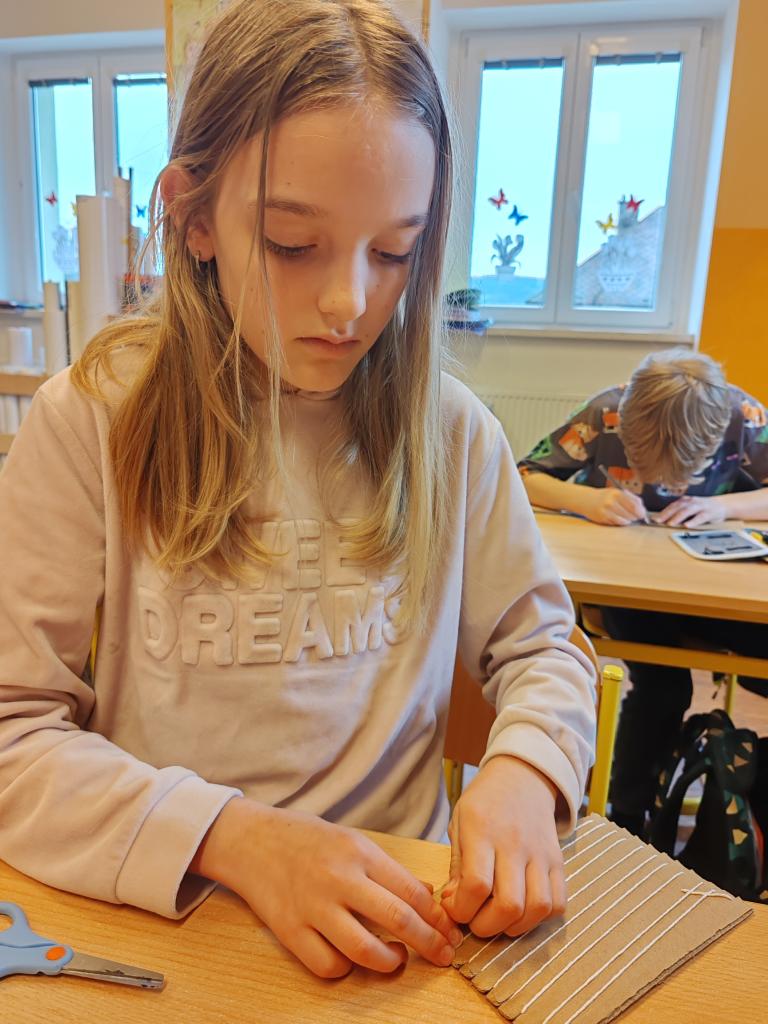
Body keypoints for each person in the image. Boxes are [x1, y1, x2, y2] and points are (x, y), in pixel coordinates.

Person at [0, 0, 595, 981]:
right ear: (194, 218)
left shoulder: (451, 434)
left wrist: (527, 772)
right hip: (175, 931)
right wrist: (238, 838)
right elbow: (14, 737)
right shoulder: (90, 422)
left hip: (406, 943)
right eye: (290, 242)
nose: (349, 301)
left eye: (394, 252)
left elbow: (545, 649)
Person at [518, 349, 768, 836]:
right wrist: (587, 499)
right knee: (663, 685)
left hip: (711, 590)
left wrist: (724, 507)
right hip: (628, 590)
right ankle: (628, 816)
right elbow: (525, 474)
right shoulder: (605, 413)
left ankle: (746, 801)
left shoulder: (745, 417)